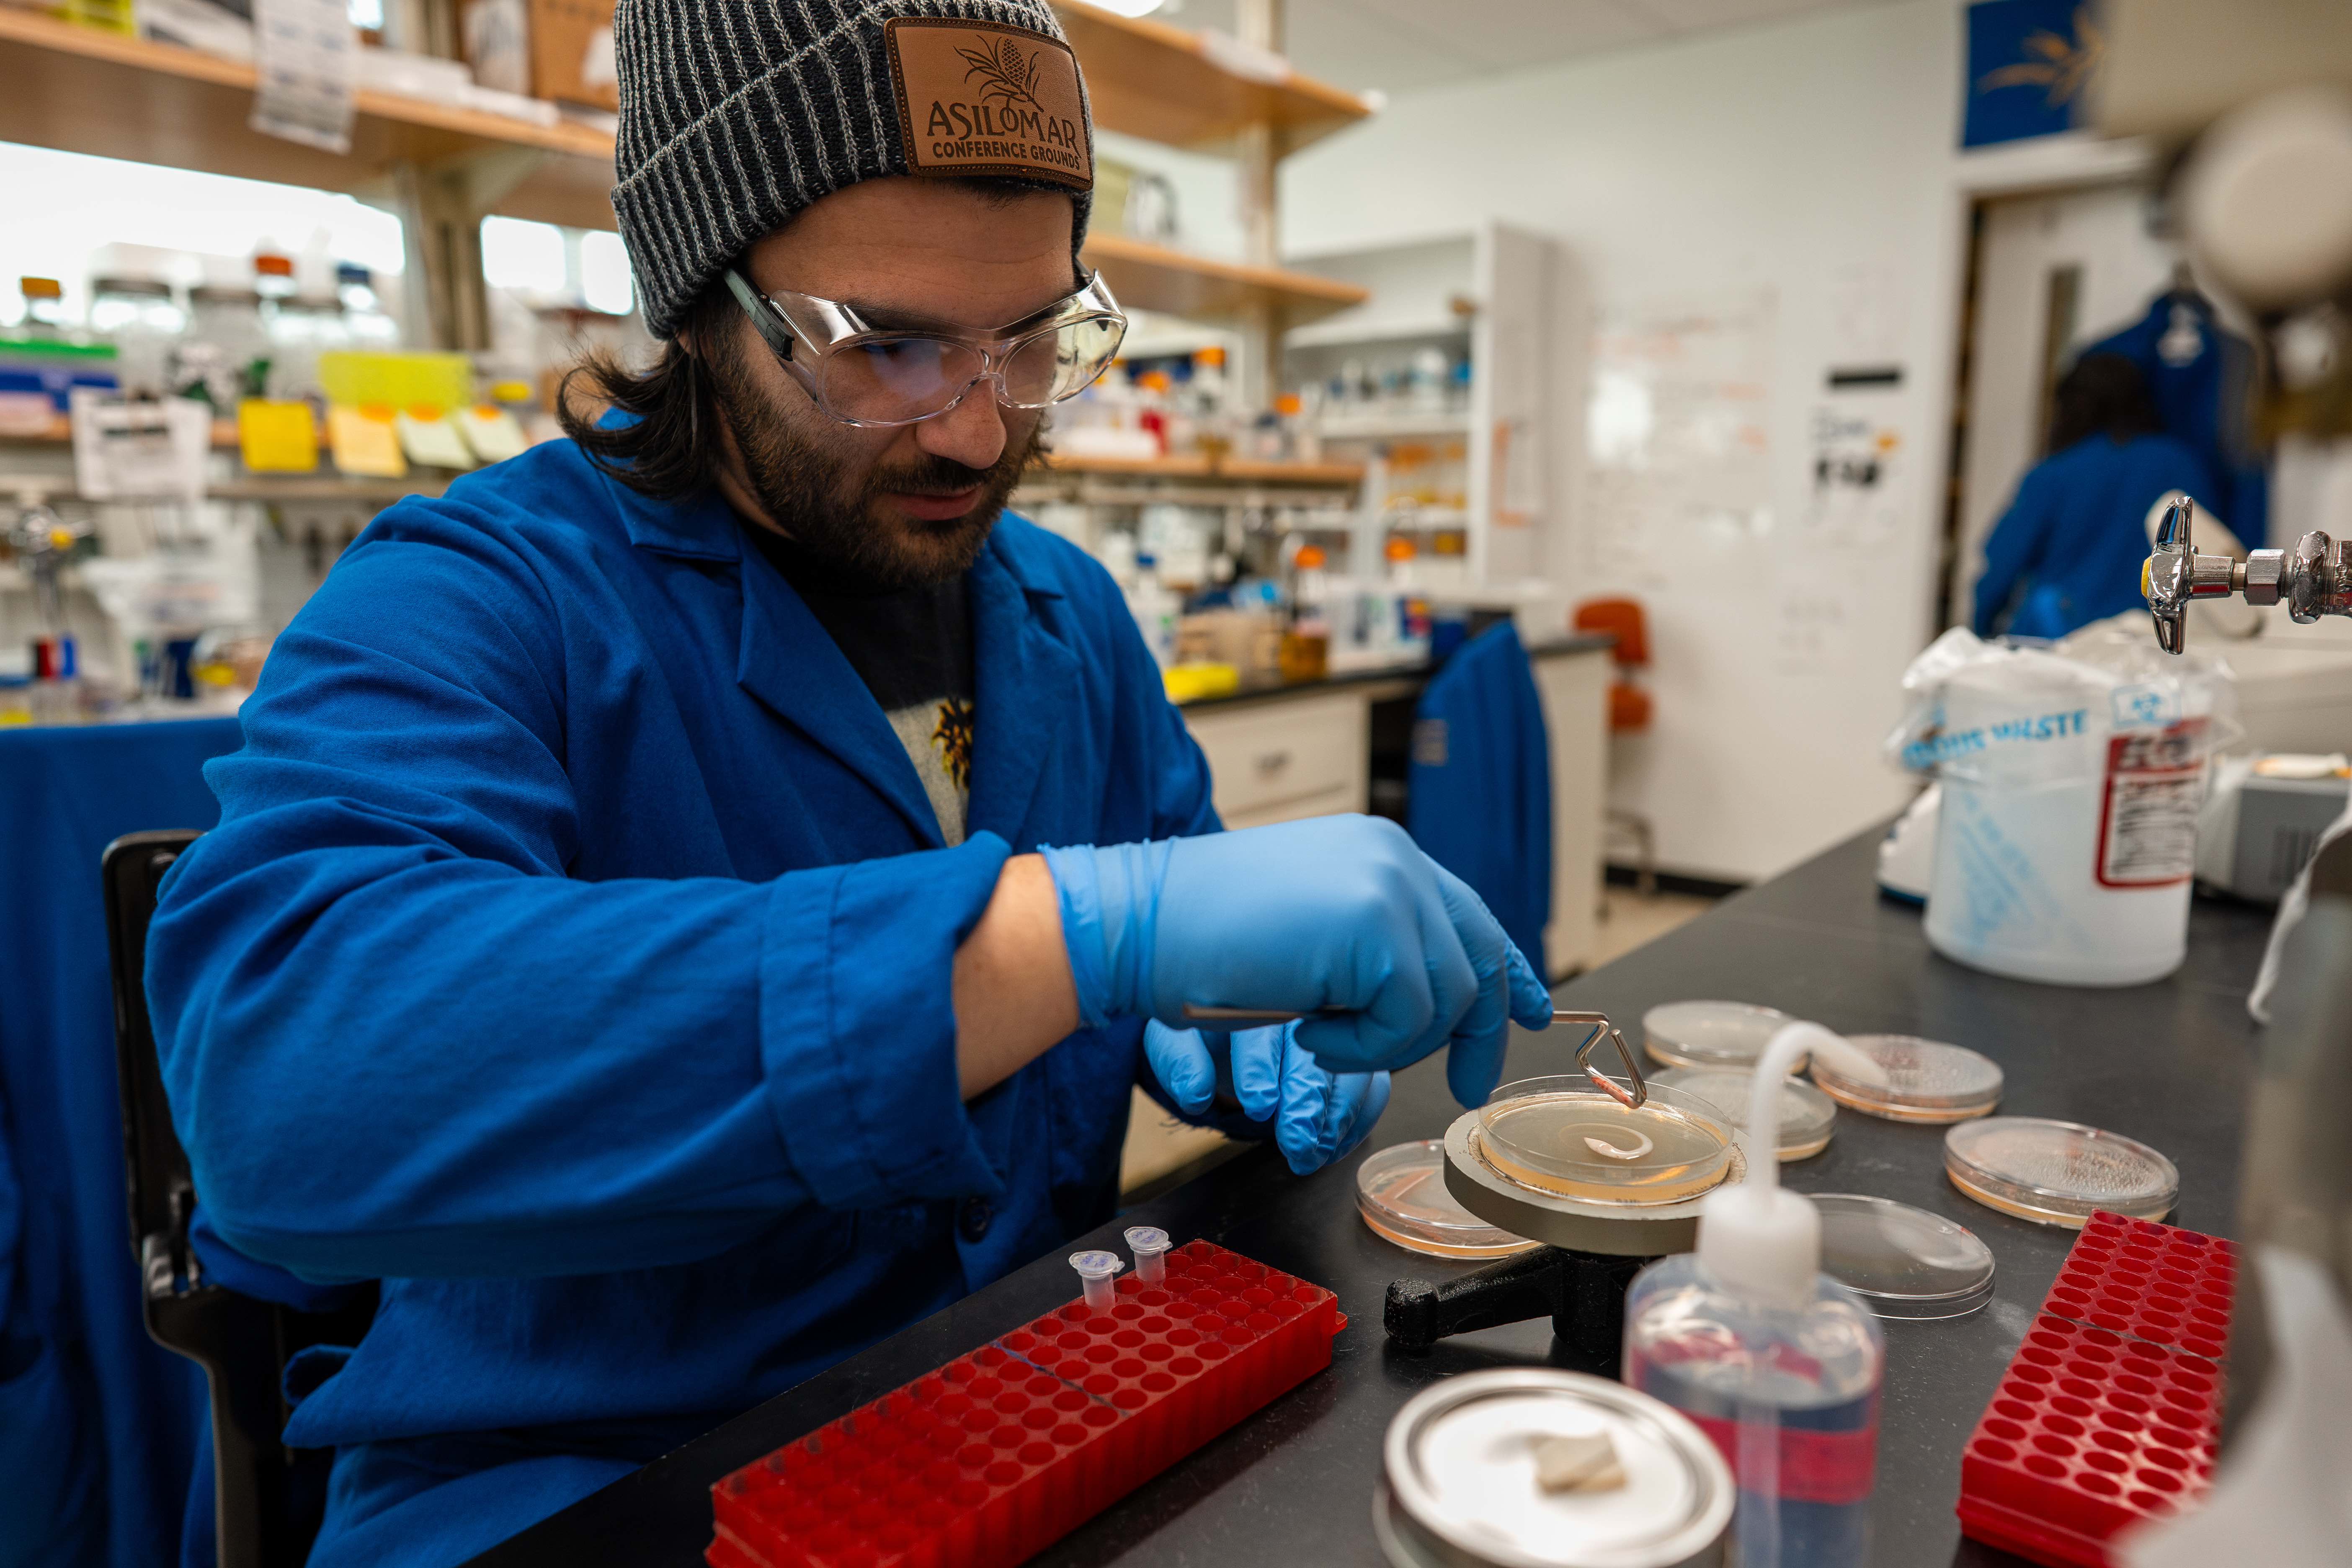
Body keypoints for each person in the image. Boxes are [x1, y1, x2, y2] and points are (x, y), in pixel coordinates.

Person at [142, 3, 1553, 1563]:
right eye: (882, 344)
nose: (971, 422)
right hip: (594, 1477)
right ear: (695, 301)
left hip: (1021, 1398)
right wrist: (1067, 935)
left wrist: (1225, 1020)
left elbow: (1173, 943)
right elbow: (281, 1098)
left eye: (1031, 340)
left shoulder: (1068, 619)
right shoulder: (484, 595)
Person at [1972, 352, 2220, 640]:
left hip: (2060, 643)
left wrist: (1980, 633)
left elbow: (2002, 566)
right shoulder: (2183, 465)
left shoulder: (2055, 474)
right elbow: (2211, 560)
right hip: (2157, 640)